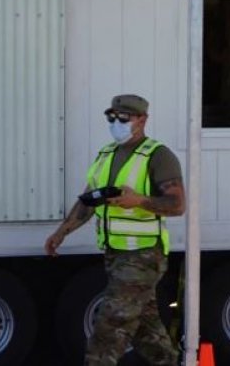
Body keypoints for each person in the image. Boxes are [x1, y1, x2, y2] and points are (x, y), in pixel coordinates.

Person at [45, 94, 185, 366]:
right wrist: (62, 232)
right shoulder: (107, 154)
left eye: (124, 118)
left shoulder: (158, 156)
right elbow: (89, 200)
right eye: (112, 117)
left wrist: (140, 201)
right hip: (115, 254)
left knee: (109, 329)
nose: (116, 123)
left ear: (142, 120)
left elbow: (177, 204)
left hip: (143, 256)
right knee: (146, 331)